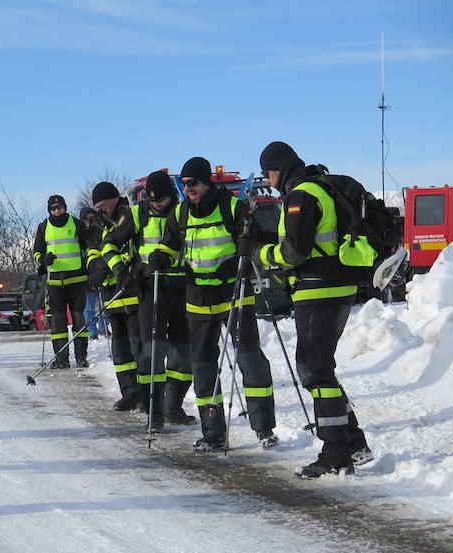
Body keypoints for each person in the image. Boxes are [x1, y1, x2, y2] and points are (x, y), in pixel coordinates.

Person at [253, 141, 373, 478]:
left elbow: (294, 253)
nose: (268, 178)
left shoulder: (301, 195)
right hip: (336, 286)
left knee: (314, 371)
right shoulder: (318, 187)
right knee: (320, 369)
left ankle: (336, 451)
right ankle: (353, 443)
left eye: (268, 171)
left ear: (280, 167)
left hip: (319, 288)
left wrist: (260, 254)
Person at [151, 157, 278, 452]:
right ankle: (213, 433)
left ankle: (264, 429)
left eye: (192, 182)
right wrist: (161, 256)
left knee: (250, 361)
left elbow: (254, 243)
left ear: (206, 182)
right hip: (197, 298)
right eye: (183, 183)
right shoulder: (180, 213)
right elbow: (169, 245)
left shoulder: (233, 207)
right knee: (204, 368)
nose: (187, 188)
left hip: (233, 293)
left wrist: (238, 261)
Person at [133, 170, 195, 426]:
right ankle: (153, 410)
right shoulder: (138, 214)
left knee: (182, 352)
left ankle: (173, 406)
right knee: (153, 352)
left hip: (181, 287)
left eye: (161, 200)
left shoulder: (184, 212)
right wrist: (127, 270)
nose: (156, 204)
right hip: (151, 288)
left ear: (172, 196)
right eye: (152, 199)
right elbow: (111, 243)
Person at [90, 181, 142, 411]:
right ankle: (129, 391)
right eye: (98, 205)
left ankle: (145, 394)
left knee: (137, 344)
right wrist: (98, 267)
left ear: (114, 198)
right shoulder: (96, 226)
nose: (101, 208)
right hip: (111, 293)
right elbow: (92, 253)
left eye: (104, 203)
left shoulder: (130, 215)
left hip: (132, 289)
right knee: (120, 347)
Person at [32, 195, 89, 368]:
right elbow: (36, 253)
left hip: (77, 279)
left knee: (79, 319)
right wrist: (43, 259)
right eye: (54, 209)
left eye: (60, 208)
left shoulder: (77, 224)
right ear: (49, 210)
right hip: (55, 281)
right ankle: (61, 358)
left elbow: (87, 247)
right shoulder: (43, 227)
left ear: (65, 207)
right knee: (57, 321)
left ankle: (81, 357)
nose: (57, 211)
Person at [79, 207, 109, 340]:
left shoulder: (100, 231)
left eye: (92, 218)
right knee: (89, 307)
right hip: (86, 275)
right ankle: (92, 331)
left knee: (104, 303)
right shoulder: (81, 235)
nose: (89, 221)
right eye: (86, 218)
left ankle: (103, 327)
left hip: (100, 271)